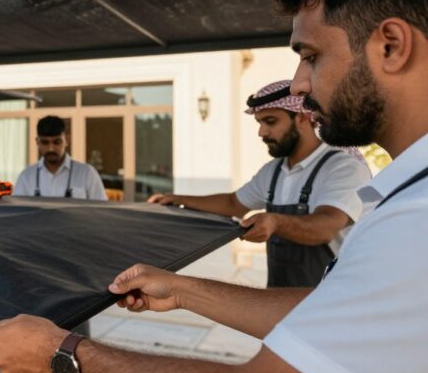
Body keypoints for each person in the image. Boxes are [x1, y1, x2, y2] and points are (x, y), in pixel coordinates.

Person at [0, 0, 428, 373]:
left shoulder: (417, 220)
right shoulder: (410, 199)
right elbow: (335, 310)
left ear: (390, 46)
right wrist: (185, 289)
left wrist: (63, 354)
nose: (301, 82)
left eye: (311, 56)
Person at [148, 79, 369, 287]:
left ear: (303, 117)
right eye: (260, 123)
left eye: (270, 122)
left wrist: (275, 223)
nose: (262, 132)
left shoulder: (344, 168)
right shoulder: (272, 171)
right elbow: (233, 203)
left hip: (332, 304)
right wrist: (177, 199)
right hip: (279, 300)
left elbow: (325, 227)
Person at [13, 116, 106, 373]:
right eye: (45, 142)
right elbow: (14, 226)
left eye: (57, 141)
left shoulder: (86, 174)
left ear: (66, 140)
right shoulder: (27, 178)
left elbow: (103, 221)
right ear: (37, 142)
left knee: (76, 349)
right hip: (36, 275)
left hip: (76, 277)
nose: (51, 147)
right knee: (36, 346)